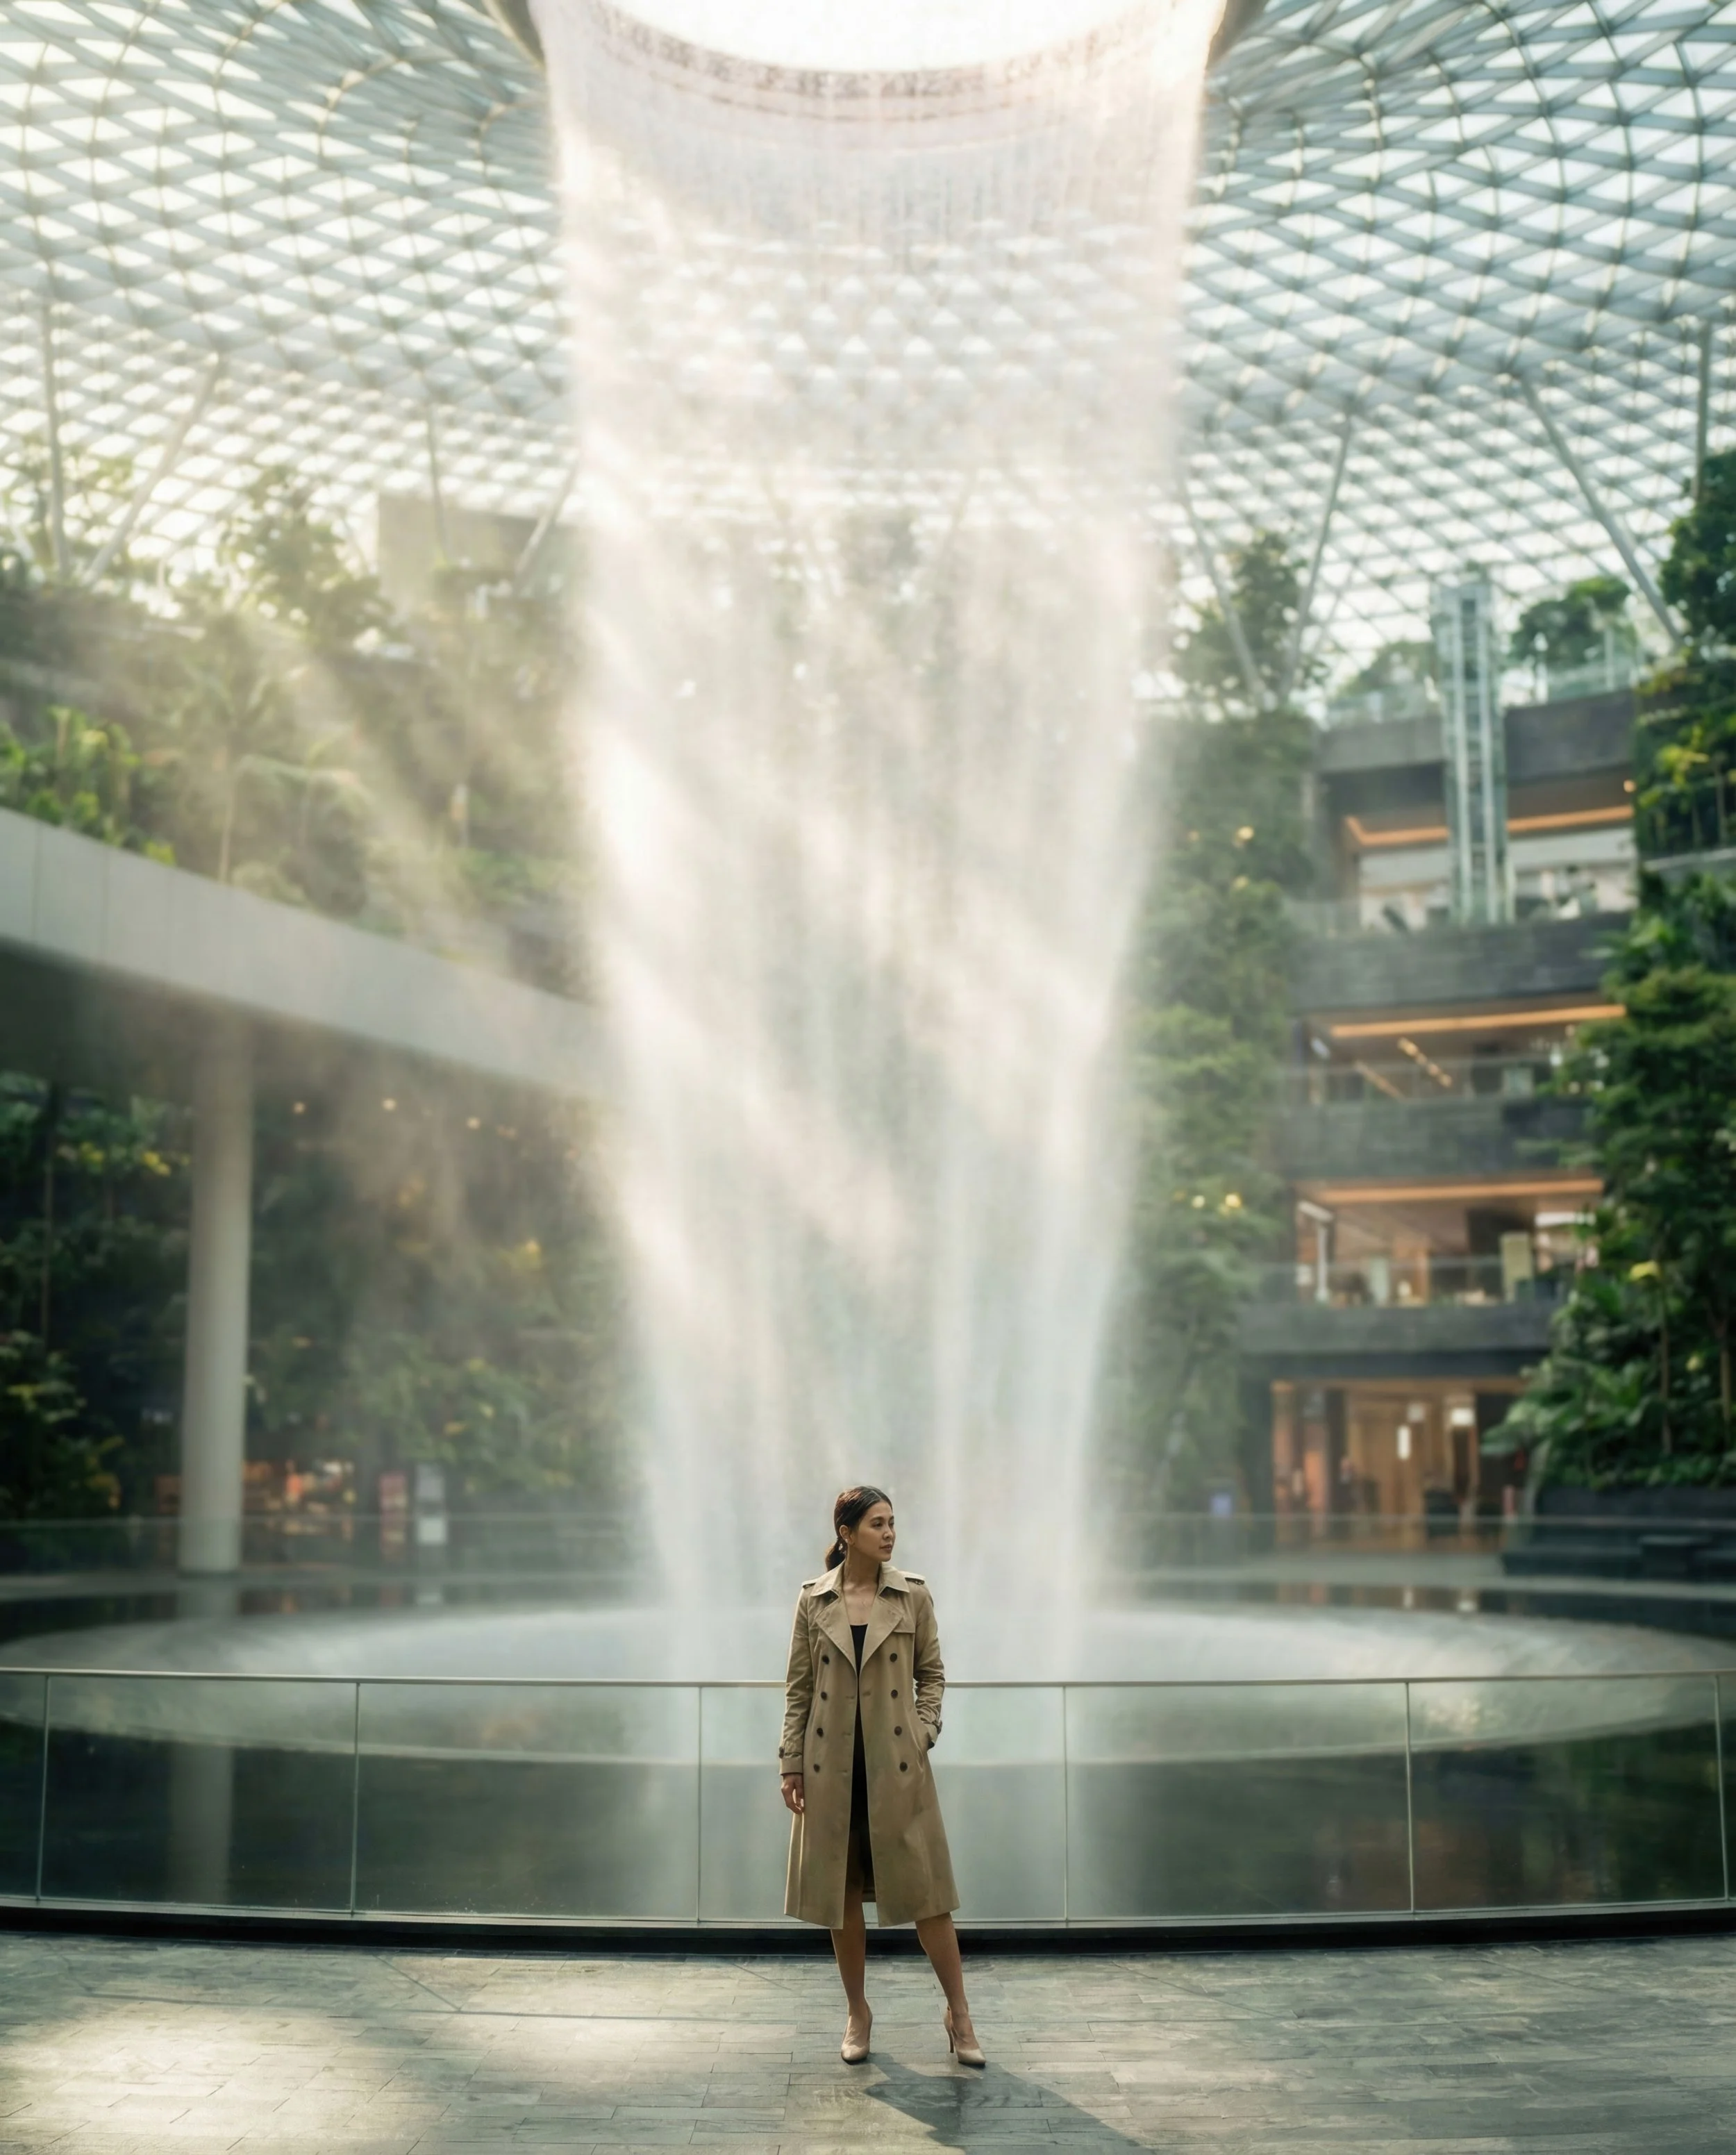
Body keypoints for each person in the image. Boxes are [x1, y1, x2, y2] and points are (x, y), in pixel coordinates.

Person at [780, 1484, 983, 2068]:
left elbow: (933, 1674)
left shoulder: (912, 1595)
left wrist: (923, 1732)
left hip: (897, 1768)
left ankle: (960, 2013)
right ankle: (857, 2012)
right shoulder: (813, 1601)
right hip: (831, 1772)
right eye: (877, 1523)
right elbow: (797, 1690)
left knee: (929, 1898)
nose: (889, 1532)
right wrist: (791, 1760)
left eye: (892, 1521)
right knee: (842, 1898)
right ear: (847, 1533)